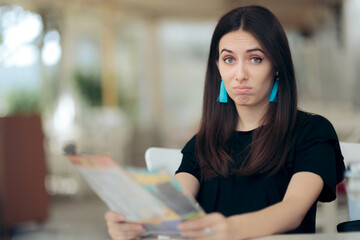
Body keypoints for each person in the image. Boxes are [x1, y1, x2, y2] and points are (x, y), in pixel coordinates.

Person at [105, 5, 345, 240]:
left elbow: (293, 210)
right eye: (229, 59)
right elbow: (172, 210)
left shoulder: (312, 132)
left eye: (255, 59)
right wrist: (138, 228)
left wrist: (231, 230)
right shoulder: (202, 144)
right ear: (218, 67)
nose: (240, 74)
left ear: (277, 66)